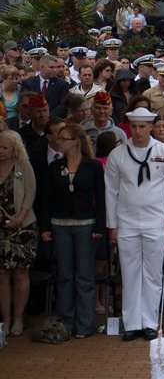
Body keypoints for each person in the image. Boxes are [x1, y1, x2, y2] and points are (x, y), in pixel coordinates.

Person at [105, 107, 164, 341]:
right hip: (126, 222)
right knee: (129, 274)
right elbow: (111, 191)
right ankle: (131, 324)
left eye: (143, 127)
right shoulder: (117, 155)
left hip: (156, 222)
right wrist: (112, 224)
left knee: (152, 273)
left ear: (151, 127)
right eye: (134, 127)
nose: (138, 132)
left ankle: (150, 322)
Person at [36, 123, 105, 338]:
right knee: (65, 276)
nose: (59, 142)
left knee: (84, 276)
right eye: (59, 139)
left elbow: (101, 198)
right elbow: (46, 198)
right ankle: (65, 323)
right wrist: (46, 226)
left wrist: (99, 226)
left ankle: (84, 325)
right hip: (60, 225)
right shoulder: (55, 167)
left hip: (86, 225)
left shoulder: (92, 166)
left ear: (75, 141)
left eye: (63, 138)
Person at [0, 130, 37, 338]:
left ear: (15, 149)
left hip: (22, 227)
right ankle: (5, 319)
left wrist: (20, 219)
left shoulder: (23, 165)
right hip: (1, 228)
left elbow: (30, 194)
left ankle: (19, 317)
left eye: (5, 148)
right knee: (2, 273)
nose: (1, 151)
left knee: (21, 272)